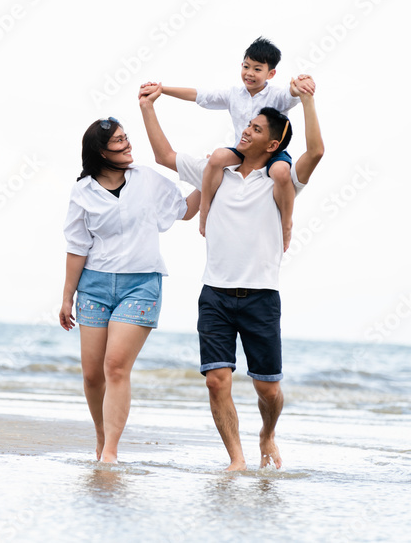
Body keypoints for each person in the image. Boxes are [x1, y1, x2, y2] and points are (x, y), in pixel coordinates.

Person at [138, 79, 324, 471]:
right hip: (216, 295)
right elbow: (164, 155)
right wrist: (148, 108)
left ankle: (267, 434)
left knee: (267, 389)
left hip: (260, 297)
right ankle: (236, 459)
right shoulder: (217, 169)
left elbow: (317, 151)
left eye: (256, 129)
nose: (246, 129)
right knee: (216, 381)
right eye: (248, 124)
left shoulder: (281, 180)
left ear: (272, 144)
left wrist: (307, 101)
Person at [60, 117, 200, 464]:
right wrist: (67, 297)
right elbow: (77, 247)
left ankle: (110, 452)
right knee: (93, 375)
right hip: (93, 287)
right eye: (118, 142)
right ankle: (100, 435)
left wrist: (213, 175)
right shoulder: (83, 191)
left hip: (140, 284)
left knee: (116, 367)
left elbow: (184, 210)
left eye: (126, 138)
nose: (127, 145)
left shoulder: (148, 179)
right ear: (101, 152)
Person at [141, 36, 315, 251]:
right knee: (217, 157)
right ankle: (204, 212)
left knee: (280, 172)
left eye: (257, 69)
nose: (249, 73)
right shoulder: (234, 95)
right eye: (246, 66)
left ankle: (286, 226)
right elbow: (201, 95)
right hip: (242, 152)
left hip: (272, 154)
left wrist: (301, 84)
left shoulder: (277, 96)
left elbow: (292, 94)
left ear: (271, 74)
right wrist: (163, 89)